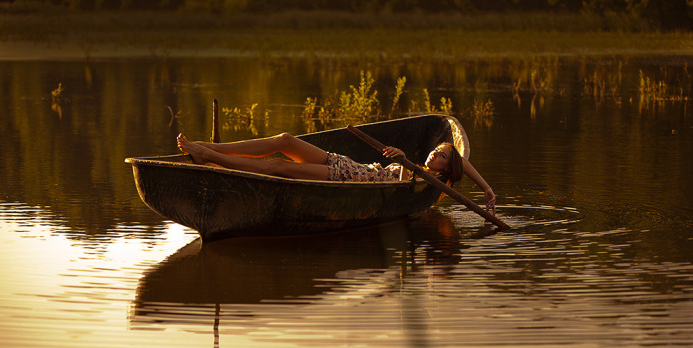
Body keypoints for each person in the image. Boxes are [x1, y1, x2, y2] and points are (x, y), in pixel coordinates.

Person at [177, 132, 496, 212]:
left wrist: (406, 163)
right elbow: (463, 160)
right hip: (352, 166)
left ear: (446, 168)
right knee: (285, 141)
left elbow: (459, 164)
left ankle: (208, 156)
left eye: (441, 156)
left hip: (352, 180)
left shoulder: (433, 181)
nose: (434, 154)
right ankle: (214, 149)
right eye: (436, 150)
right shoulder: (426, 168)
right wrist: (486, 189)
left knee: (279, 167)